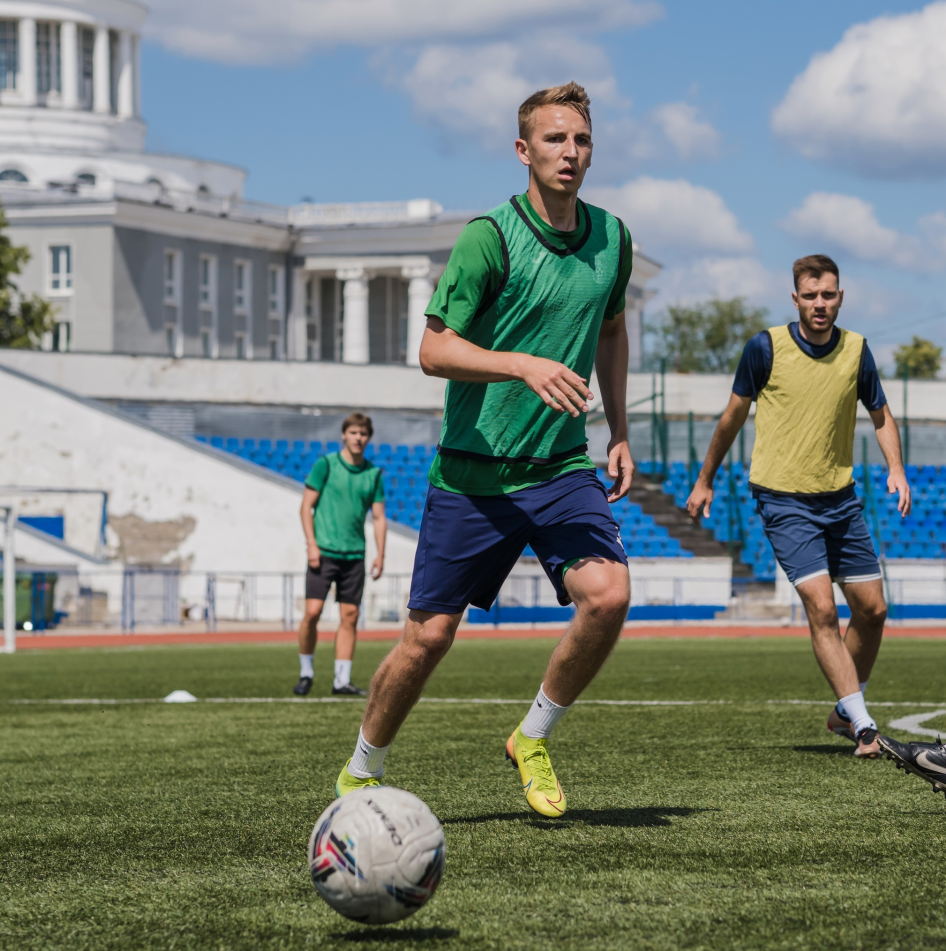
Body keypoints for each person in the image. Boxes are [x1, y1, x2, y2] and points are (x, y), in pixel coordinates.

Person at [333, 82, 636, 818]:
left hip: (562, 468)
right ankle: (360, 771)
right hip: (473, 475)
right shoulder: (488, 238)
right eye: (555, 139)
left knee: (610, 595)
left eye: (582, 140)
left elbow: (610, 330)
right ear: (523, 151)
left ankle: (531, 737)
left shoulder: (614, 240)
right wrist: (522, 363)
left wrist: (620, 429)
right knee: (428, 637)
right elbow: (433, 349)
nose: (570, 152)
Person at [686, 254, 909, 758]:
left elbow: (881, 416)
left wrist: (896, 469)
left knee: (873, 611)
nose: (819, 304)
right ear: (796, 299)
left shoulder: (857, 351)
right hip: (783, 499)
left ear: (840, 297)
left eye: (828, 295)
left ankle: (844, 708)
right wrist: (705, 480)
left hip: (841, 500)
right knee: (822, 608)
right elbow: (731, 419)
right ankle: (865, 725)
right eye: (810, 296)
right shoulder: (765, 348)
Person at [294, 413, 387, 697]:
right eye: (354, 432)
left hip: (354, 556)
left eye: (363, 433)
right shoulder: (326, 465)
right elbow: (305, 507)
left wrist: (380, 554)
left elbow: (380, 517)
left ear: (368, 438)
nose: (358, 438)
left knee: (350, 615)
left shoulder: (373, 474)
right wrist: (311, 544)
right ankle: (306, 672)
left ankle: (341, 680)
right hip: (323, 554)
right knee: (312, 612)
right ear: (344, 435)